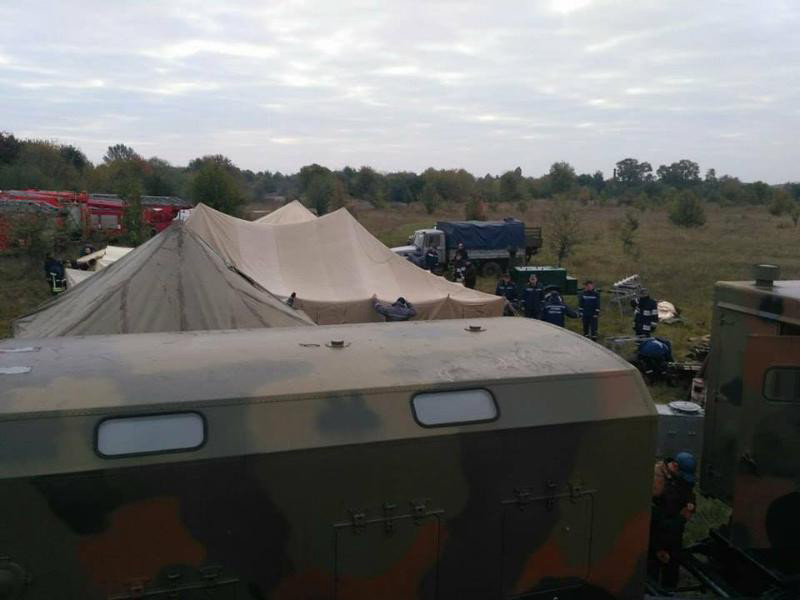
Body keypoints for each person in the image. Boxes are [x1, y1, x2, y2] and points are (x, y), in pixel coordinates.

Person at [649, 452, 697, 590]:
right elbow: (657, 523)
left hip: (673, 539)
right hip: (658, 539)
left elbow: (688, 492)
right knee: (651, 578)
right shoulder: (658, 481)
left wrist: (691, 504)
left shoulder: (677, 478)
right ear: (674, 466)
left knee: (671, 576)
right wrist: (682, 518)